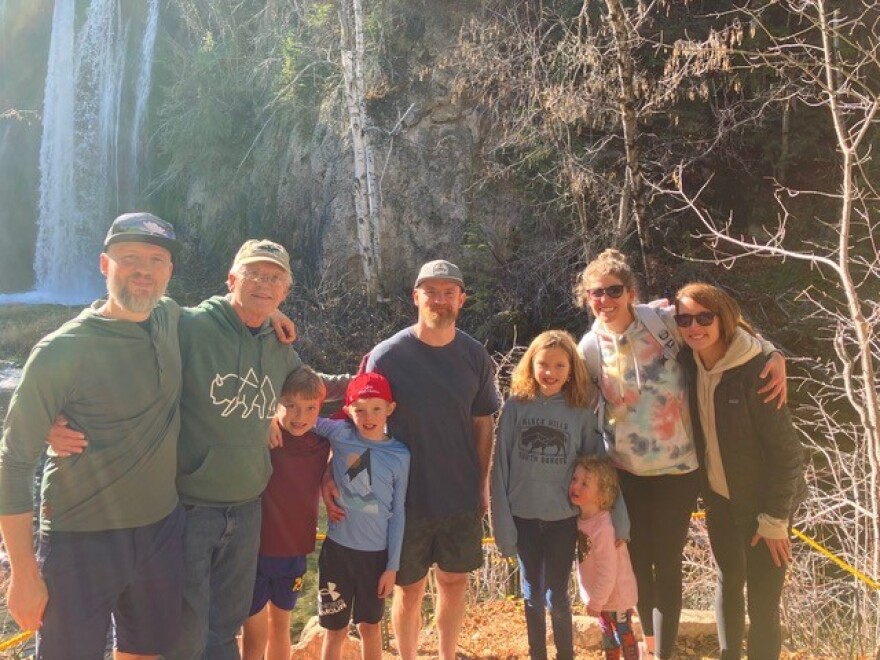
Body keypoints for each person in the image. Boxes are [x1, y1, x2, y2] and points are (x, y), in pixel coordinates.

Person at [573, 248, 787, 659]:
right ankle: (652, 646)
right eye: (595, 293)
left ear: (631, 292)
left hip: (680, 470)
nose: (605, 300)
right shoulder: (590, 348)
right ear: (587, 298)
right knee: (639, 561)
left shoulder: (663, 324)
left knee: (668, 562)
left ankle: (663, 653)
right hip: (626, 471)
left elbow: (721, 327)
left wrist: (771, 351)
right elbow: (576, 401)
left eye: (613, 290)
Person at [0, 212, 186, 659]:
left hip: (160, 528)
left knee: (145, 651)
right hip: (79, 537)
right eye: (130, 258)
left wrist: (271, 309)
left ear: (169, 272)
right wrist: (23, 571)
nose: (144, 270)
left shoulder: (170, 317)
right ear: (105, 265)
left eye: (156, 260)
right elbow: (14, 460)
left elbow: (234, 313)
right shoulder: (60, 351)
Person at [324, 259, 501, 660]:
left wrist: (482, 482)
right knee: (410, 587)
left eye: (449, 292)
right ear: (416, 297)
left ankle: (446, 654)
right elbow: (357, 424)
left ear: (461, 299)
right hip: (401, 499)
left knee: (454, 582)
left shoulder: (474, 356)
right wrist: (331, 476)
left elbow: (483, 423)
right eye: (431, 292)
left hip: (458, 493)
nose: (440, 299)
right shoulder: (387, 356)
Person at [674, 283, 805, 660]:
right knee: (728, 583)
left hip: (764, 507)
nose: (694, 327)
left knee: (763, 603)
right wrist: (774, 348)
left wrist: (775, 519)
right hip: (719, 500)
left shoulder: (756, 371)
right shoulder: (689, 361)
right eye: (685, 319)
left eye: (704, 317)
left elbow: (788, 455)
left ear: (723, 318)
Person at [491, 330, 630, 660]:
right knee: (532, 595)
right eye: (543, 364)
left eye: (559, 365)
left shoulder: (580, 412)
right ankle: (537, 653)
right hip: (523, 516)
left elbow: (600, 470)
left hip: (563, 520)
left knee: (558, 596)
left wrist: (619, 520)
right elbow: (499, 470)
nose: (549, 372)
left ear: (571, 370)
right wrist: (502, 528)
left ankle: (565, 654)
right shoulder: (515, 407)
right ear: (531, 365)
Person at [314, 372, 410, 660]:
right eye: (360, 410)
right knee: (335, 630)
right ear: (348, 411)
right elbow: (300, 415)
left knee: (369, 627)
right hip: (337, 552)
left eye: (376, 409)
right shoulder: (340, 434)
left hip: (375, 557)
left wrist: (392, 567)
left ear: (390, 408)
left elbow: (398, 512)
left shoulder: (400, 455)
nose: (369, 417)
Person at [241, 367, 330, 660]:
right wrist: (266, 419)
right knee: (253, 631)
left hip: (293, 554)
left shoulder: (322, 444)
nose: (299, 416)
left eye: (309, 408)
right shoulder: (265, 438)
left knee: (281, 626)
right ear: (275, 402)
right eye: (290, 405)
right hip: (255, 551)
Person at [570, 456, 639, 660]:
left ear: (602, 494)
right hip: (600, 599)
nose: (576, 486)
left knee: (623, 635)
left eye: (585, 483)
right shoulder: (580, 520)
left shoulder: (604, 527)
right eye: (575, 479)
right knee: (608, 638)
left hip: (616, 597)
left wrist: (595, 602)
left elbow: (608, 571)